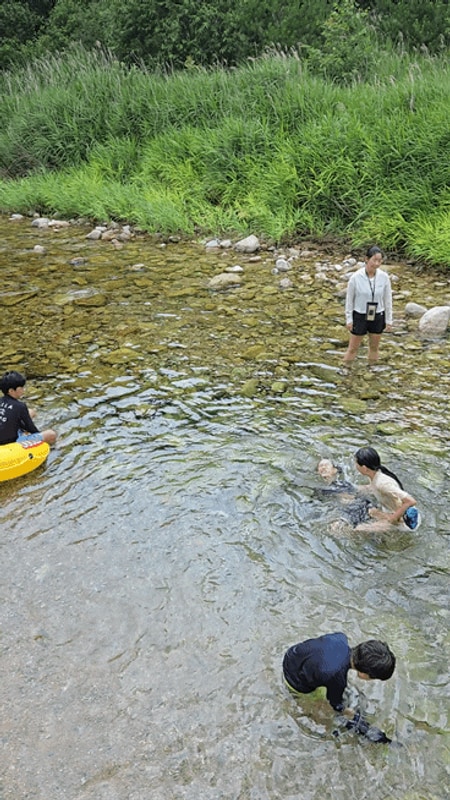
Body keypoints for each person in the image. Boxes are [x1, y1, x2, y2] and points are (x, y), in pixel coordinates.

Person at [283, 632, 396, 714]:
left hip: (292, 655)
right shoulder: (337, 679)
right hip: (293, 680)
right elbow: (335, 704)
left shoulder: (340, 637)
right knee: (321, 706)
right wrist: (345, 711)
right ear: (364, 674)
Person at [343, 245, 393, 364]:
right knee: (353, 348)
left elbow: (388, 300)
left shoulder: (384, 277)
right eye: (374, 260)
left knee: (374, 347)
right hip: (360, 315)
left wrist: (389, 320)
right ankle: (346, 371)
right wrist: (349, 319)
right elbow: (349, 300)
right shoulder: (355, 278)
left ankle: (372, 369)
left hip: (377, 315)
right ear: (366, 259)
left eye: (379, 261)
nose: (376, 264)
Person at [354, 447, 420, 530]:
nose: (355, 465)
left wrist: (391, 520)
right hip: (390, 510)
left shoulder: (382, 483)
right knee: (370, 511)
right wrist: (354, 488)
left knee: (358, 529)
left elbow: (411, 501)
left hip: (405, 522)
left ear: (364, 468)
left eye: (356, 463)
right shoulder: (376, 473)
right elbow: (373, 487)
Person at [0, 371, 57, 446]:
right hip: (12, 444)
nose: (24, 390)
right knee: (51, 434)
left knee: (31, 412)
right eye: (21, 388)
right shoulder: (20, 406)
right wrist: (40, 436)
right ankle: (56, 447)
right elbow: (31, 428)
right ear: (11, 391)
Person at [315, 458, 372, 527]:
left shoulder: (343, 484)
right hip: (344, 512)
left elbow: (362, 489)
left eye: (326, 465)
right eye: (321, 466)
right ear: (318, 472)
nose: (323, 467)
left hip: (355, 509)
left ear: (335, 470)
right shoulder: (318, 490)